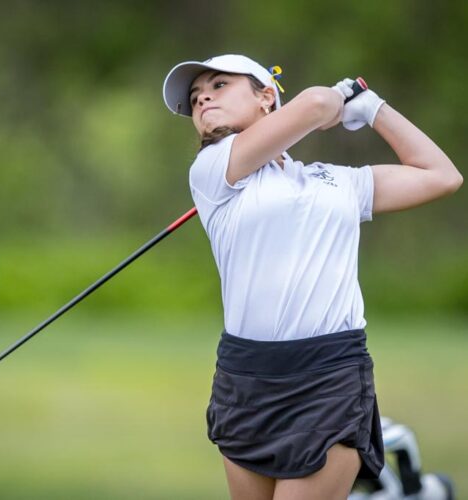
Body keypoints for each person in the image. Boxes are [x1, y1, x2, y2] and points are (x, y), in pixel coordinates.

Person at [162, 54, 463, 500]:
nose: (202, 96)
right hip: (245, 378)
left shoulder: (338, 182)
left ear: (266, 97)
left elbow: (441, 176)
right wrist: (340, 99)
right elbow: (318, 104)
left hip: (328, 376)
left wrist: (376, 109)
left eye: (219, 84)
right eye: (195, 96)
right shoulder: (212, 170)